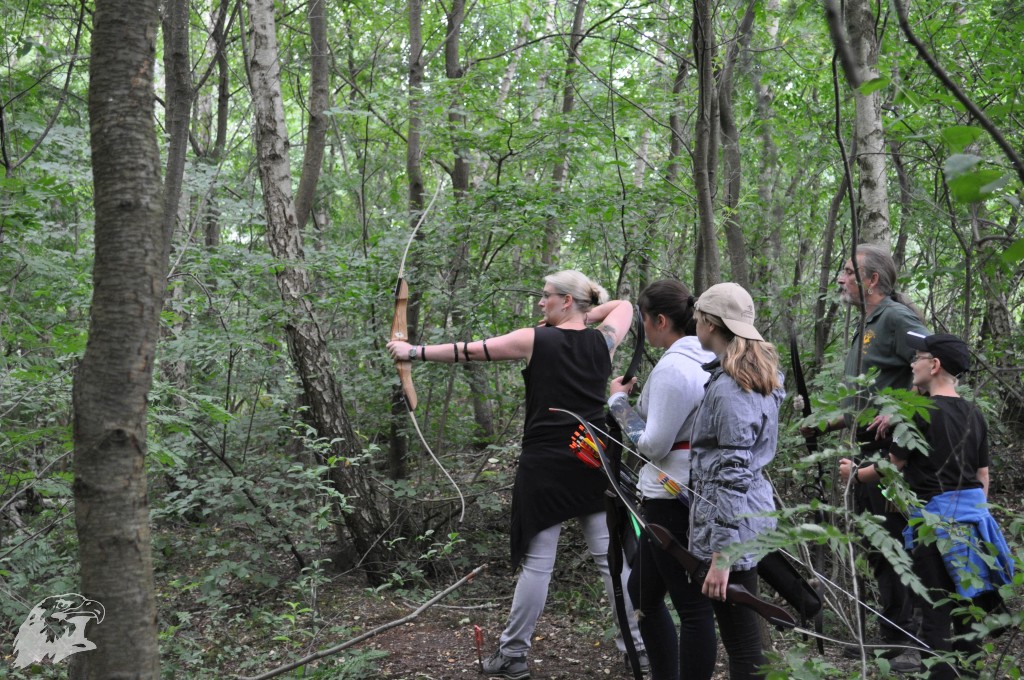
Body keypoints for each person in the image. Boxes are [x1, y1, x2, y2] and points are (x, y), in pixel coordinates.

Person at [387, 270, 645, 680]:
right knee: (611, 562)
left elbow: (469, 351)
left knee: (539, 564)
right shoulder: (603, 341)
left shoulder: (535, 339)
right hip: (593, 459)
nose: (540, 304)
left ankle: (513, 657)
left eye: (547, 297)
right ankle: (637, 649)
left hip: (546, 465)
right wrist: (582, 317)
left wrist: (412, 352)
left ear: (565, 301)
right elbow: (625, 306)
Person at [839, 331, 1013, 680]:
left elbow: (891, 466)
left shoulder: (916, 413)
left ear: (934, 366)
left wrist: (854, 475)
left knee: (935, 613)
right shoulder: (974, 413)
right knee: (967, 610)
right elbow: (982, 475)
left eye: (917, 357)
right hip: (973, 525)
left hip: (932, 528)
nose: (911, 363)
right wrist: (970, 512)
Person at [803, 242, 928, 670]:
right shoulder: (867, 323)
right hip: (865, 452)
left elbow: (938, 361)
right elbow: (866, 402)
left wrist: (899, 410)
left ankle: (909, 646)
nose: (840, 278)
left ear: (872, 280)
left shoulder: (895, 316)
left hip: (895, 458)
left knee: (895, 546)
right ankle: (892, 641)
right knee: (877, 547)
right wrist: (825, 423)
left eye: (848, 271)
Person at [607, 279, 718, 680]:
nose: (642, 328)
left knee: (692, 607)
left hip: (673, 497)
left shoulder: (674, 367)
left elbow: (653, 444)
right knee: (643, 594)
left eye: (643, 320)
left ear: (659, 320)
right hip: (675, 492)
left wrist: (618, 403)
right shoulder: (703, 358)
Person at [688, 282, 783, 680]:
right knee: (742, 639)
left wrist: (722, 557)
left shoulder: (732, 389)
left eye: (697, 319)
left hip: (733, 525)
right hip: (743, 518)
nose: (694, 324)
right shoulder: (756, 376)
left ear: (711, 324)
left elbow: (732, 474)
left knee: (742, 645)